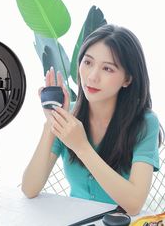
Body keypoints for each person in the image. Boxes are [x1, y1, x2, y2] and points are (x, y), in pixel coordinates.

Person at [21, 24, 164, 215]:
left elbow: (133, 204)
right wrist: (52, 122)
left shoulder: (145, 122)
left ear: (127, 79)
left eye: (107, 68)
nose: (93, 77)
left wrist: (81, 146)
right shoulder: (68, 114)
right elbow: (29, 189)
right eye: (88, 63)